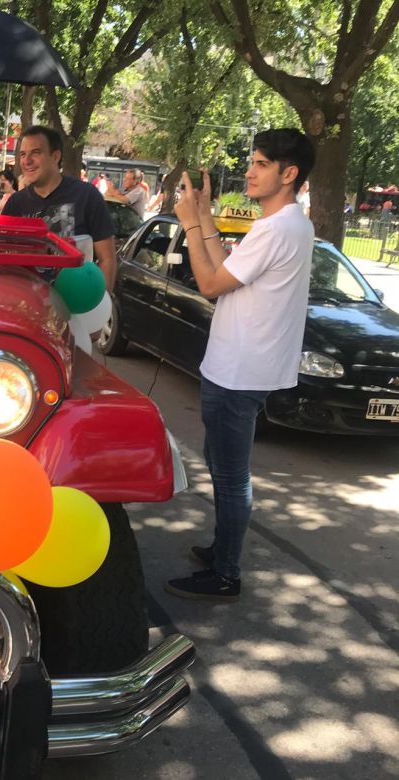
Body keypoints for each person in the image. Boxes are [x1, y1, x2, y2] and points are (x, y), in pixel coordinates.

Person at [165, 128, 315, 602]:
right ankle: (221, 550)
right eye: (251, 162)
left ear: (288, 174)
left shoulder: (277, 227)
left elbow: (209, 283)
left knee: (230, 474)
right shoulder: (290, 223)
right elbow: (228, 271)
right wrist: (206, 217)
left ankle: (226, 571)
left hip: (239, 369)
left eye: (261, 164)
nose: (249, 171)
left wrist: (190, 222)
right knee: (222, 463)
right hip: (241, 365)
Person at [1, 125, 117, 291]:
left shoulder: (87, 196)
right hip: (27, 307)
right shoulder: (15, 203)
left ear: (55, 156)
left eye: (35, 152)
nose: (27, 161)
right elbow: (2, 259)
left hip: (74, 307)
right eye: (23, 154)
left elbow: (107, 259)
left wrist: (100, 306)